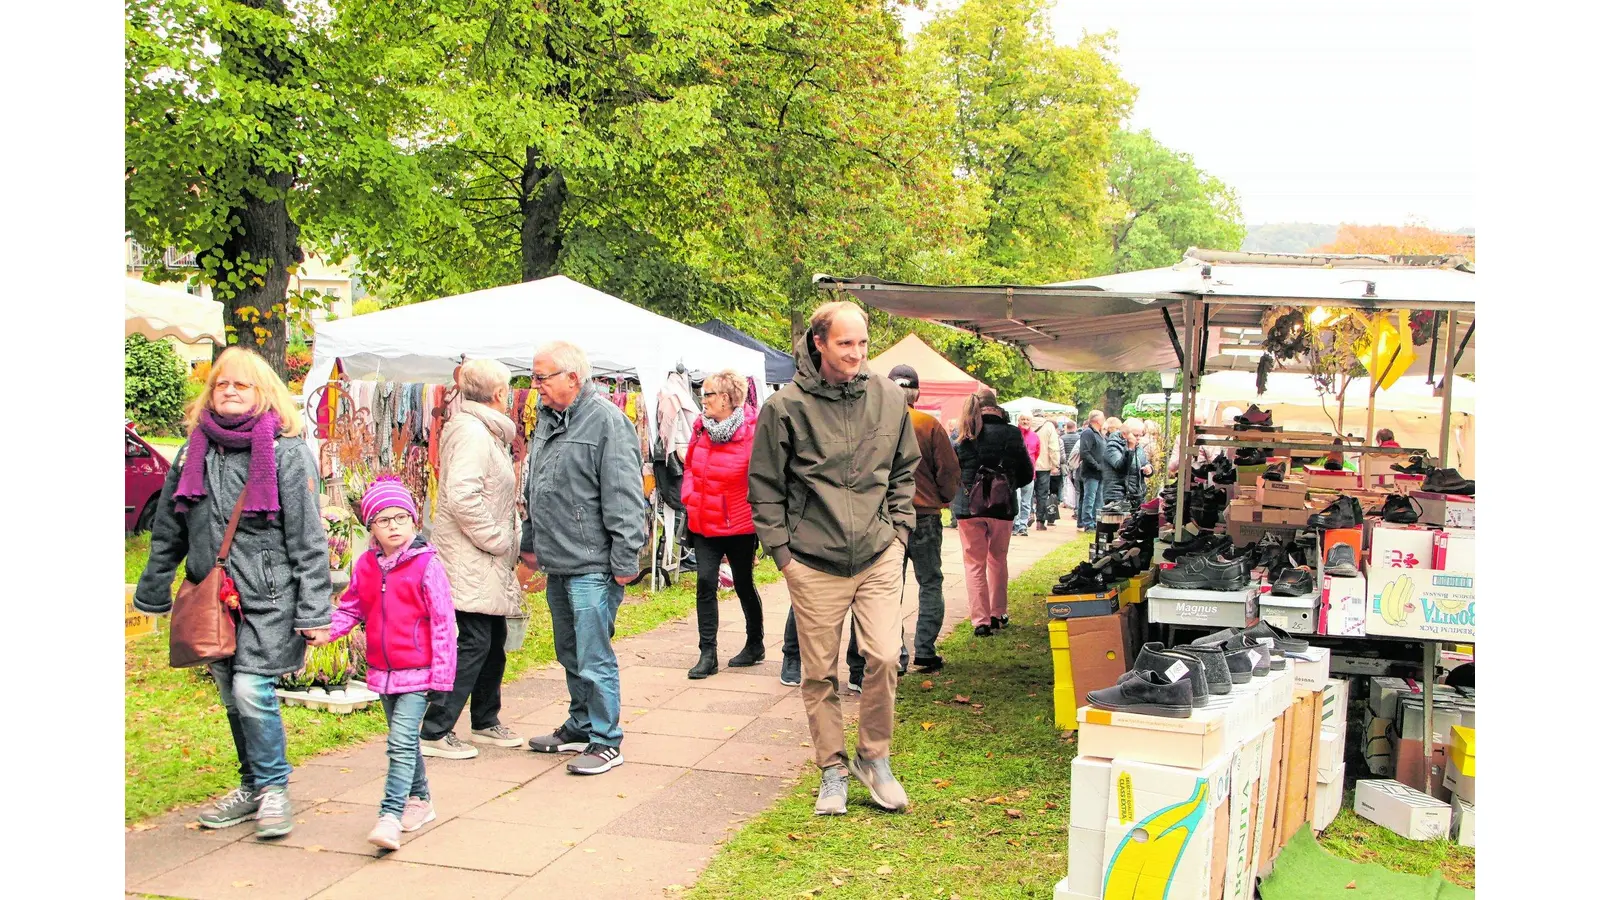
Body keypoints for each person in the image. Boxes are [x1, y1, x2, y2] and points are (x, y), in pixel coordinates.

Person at [134, 346, 331, 839]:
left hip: (270, 597)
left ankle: (274, 788)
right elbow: (168, 531)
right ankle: (252, 786)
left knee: (251, 688)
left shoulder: (286, 452)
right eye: (222, 383)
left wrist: (314, 610)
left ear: (262, 392)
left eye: (241, 384)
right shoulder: (192, 451)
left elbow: (307, 538)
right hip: (211, 596)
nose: (230, 391)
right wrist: (154, 590)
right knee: (231, 694)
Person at [749, 301, 921, 816]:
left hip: (878, 552)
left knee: (885, 655)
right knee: (819, 672)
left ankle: (875, 757)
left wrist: (899, 534)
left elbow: (903, 472)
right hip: (811, 559)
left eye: (863, 343)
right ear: (818, 342)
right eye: (846, 343)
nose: (857, 353)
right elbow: (764, 486)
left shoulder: (889, 398)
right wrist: (784, 555)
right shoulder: (784, 407)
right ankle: (831, 769)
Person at [520, 341, 649, 776]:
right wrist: (530, 543)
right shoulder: (546, 420)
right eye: (534, 377)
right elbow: (536, 487)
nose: (534, 386)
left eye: (542, 377)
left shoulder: (608, 423)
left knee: (594, 655)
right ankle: (580, 724)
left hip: (594, 563)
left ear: (572, 378)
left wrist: (626, 556)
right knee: (569, 650)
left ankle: (606, 740)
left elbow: (626, 496)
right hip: (559, 560)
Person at [330, 478, 457, 850]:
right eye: (385, 520)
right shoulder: (367, 565)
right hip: (383, 673)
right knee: (405, 745)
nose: (395, 527)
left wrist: (442, 677)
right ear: (371, 527)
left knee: (400, 742)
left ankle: (390, 816)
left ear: (414, 521)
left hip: (419, 673)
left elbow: (444, 623)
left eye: (402, 518)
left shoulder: (426, 565)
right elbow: (352, 607)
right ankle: (421, 800)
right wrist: (324, 633)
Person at [420, 359, 525, 759]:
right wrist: (497, 539)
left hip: (483, 558)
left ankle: (485, 719)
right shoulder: (471, 432)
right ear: (499, 394)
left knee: (493, 639)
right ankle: (435, 728)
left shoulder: (482, 429)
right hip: (472, 555)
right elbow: (462, 496)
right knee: (475, 641)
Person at [679, 369, 764, 680]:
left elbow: (761, 473)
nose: (704, 400)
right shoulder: (701, 427)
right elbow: (690, 465)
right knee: (704, 582)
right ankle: (708, 653)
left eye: (710, 394)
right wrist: (689, 494)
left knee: (742, 583)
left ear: (728, 399)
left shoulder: (753, 430)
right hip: (703, 520)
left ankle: (755, 644)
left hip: (739, 523)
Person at [879, 364, 961, 674]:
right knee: (930, 582)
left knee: (888, 587)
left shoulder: (876, 425)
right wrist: (942, 497)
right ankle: (925, 649)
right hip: (925, 515)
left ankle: (895, 654)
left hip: (887, 517)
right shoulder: (929, 425)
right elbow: (949, 470)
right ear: (918, 393)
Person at [952, 389, 1034, 637]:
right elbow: (1027, 473)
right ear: (996, 407)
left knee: (974, 564)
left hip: (968, 508)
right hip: (1003, 507)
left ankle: (980, 620)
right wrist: (1004, 486)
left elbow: (953, 471)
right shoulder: (1012, 433)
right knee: (998, 559)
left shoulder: (963, 434)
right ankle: (998, 613)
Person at [1075, 410, 1107, 530]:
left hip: (1099, 472)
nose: (1104, 420)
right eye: (1102, 418)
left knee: (1098, 498)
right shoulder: (1088, 433)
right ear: (1097, 420)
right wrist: (1097, 465)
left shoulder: (1099, 433)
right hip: (1091, 472)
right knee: (1089, 498)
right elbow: (1085, 452)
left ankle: (1095, 521)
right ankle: (1088, 522)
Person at [1031, 411, 1061, 531]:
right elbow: (1053, 447)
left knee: (1027, 493)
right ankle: (1040, 521)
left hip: (1029, 465)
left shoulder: (1026, 423)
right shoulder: (1049, 426)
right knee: (1042, 494)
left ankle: (1028, 515)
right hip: (1044, 466)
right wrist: (1055, 464)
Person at [1012, 414, 1041, 536]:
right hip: (1014, 473)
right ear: (1018, 420)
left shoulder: (1035, 437)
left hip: (1029, 473)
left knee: (1026, 501)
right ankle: (1015, 523)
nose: (1025, 421)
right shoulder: (1013, 434)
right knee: (1016, 498)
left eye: (1027, 419)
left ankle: (1023, 525)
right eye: (1023, 419)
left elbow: (1037, 453)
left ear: (1031, 421)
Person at [1059, 418, 1080, 515]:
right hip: (1076, 464)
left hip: (1065, 465)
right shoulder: (1079, 438)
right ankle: (1076, 508)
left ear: (1067, 428)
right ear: (1075, 427)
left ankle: (1066, 501)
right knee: (1076, 487)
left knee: (1066, 485)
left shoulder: (1062, 438)